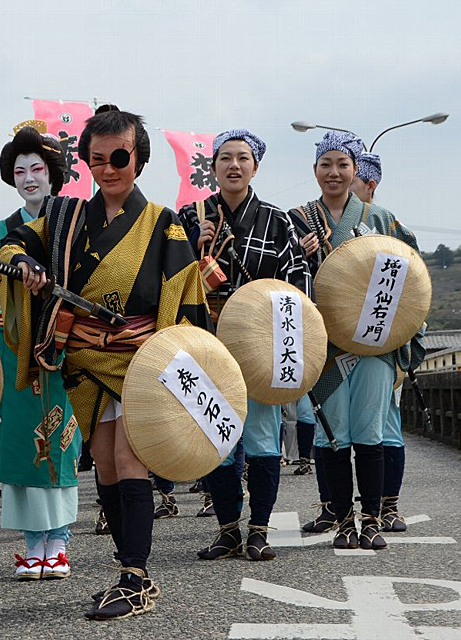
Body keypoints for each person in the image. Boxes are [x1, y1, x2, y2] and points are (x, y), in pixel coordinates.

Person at [0, 106, 210, 619]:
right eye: (99, 159)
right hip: (86, 360)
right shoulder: (67, 218)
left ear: (138, 158)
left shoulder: (164, 224)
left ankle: (135, 577)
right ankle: (126, 567)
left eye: (120, 157)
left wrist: (182, 359)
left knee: (131, 460)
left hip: (141, 357)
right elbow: (17, 241)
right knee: (108, 465)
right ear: (86, 161)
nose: (110, 168)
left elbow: (184, 296)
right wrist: (24, 262)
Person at [178, 129, 311, 562]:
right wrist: (192, 251)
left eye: (243, 158)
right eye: (226, 159)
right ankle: (227, 529)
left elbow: (297, 287)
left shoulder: (278, 220)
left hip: (259, 342)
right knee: (216, 436)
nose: (234, 165)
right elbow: (168, 282)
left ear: (255, 167)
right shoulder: (189, 218)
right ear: (212, 167)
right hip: (207, 340)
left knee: (260, 438)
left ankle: (259, 530)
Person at [291, 132, 423, 551]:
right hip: (327, 347)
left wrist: (405, 331)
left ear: (355, 170)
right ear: (314, 169)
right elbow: (281, 281)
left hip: (374, 345)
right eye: (325, 164)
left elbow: (412, 274)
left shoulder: (381, 218)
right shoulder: (297, 221)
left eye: (342, 165)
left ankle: (371, 519)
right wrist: (301, 255)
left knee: (369, 432)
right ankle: (343, 518)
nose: (334, 172)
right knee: (335, 434)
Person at [0, 125, 80, 580]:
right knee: (20, 445)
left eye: (37, 168)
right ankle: (33, 544)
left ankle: (60, 542)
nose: (29, 177)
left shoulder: (73, 226)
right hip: (11, 353)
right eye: (20, 171)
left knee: (61, 441)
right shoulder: (0, 231)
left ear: (53, 174)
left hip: (63, 351)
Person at [350, 153, 407, 532]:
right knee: (334, 431)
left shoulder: (386, 222)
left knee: (384, 427)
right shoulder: (322, 222)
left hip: (381, 341)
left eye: (351, 176)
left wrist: (404, 341)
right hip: (339, 341)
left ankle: (388, 506)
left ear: (368, 184)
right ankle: (333, 508)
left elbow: (414, 284)